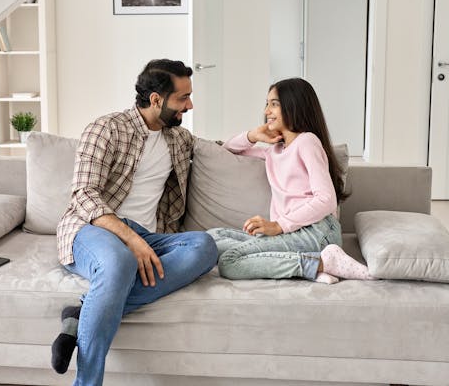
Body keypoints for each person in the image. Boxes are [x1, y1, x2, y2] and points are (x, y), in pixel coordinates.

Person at [51, 59, 218, 386]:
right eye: (183, 98)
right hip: (93, 229)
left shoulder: (178, 139)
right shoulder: (107, 128)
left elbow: (219, 150)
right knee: (120, 262)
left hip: (148, 235)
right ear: (156, 100)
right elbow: (84, 194)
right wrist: (132, 240)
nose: (190, 105)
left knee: (205, 247)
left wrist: (254, 137)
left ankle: (81, 314)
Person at [207, 78, 375, 284]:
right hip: (289, 234)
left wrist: (278, 225)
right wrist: (253, 135)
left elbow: (327, 199)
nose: (267, 110)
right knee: (209, 238)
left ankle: (320, 264)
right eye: (267, 103)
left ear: (294, 105)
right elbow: (226, 149)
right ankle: (314, 263)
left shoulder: (307, 142)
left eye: (274, 104)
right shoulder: (273, 151)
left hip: (317, 230)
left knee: (229, 262)